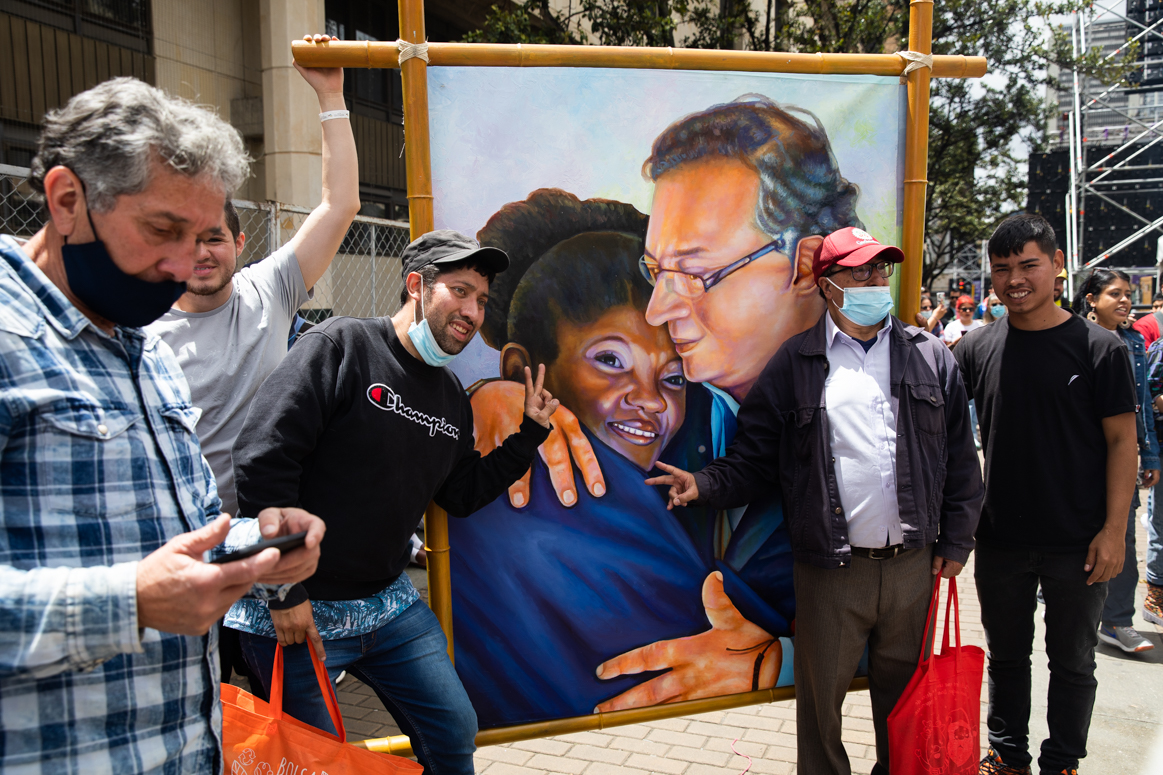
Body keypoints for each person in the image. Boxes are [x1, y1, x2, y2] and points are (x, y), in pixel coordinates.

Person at [467, 97, 862, 706]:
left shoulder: (880, 415)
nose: (660, 310)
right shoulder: (659, 416)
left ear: (807, 266)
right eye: (658, 273)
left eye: (696, 273)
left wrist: (782, 667)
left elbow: (909, 600)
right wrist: (491, 395)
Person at [0, 77, 325, 773]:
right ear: (67, 201)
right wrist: (129, 601)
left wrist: (259, 545)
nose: (183, 267)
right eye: (162, 231)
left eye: (205, 236)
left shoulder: (148, 349)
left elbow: (183, 540)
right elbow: (145, 584)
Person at [646, 227, 983, 775]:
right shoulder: (794, 365)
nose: (876, 281)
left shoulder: (931, 358)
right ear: (827, 285)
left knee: (903, 709)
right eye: (860, 272)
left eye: (881, 270)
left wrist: (957, 539)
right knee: (820, 712)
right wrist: (703, 485)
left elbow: (960, 459)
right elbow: (755, 461)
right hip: (829, 572)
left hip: (912, 570)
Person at [225, 230, 559, 775]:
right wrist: (285, 588)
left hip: (388, 607)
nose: (473, 312)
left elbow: (461, 493)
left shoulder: (450, 396)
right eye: (460, 291)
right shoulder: (341, 346)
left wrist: (528, 436)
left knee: (454, 735)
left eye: (481, 300)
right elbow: (263, 459)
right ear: (415, 286)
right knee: (322, 764)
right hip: (298, 613)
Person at [449, 189, 754, 727]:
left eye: (673, 378)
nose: (651, 399)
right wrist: (485, 396)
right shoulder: (498, 477)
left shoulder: (699, 441)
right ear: (524, 368)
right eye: (611, 360)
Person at [143, 33, 359, 688]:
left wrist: (330, 96)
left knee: (281, 714)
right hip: (188, 548)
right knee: (199, 702)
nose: (202, 251)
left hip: (271, 543)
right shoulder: (142, 331)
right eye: (184, 237)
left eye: (215, 236)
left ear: (239, 240)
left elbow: (340, 203)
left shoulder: (273, 287)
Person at [954, 214, 1138, 775]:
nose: (1016, 279)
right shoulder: (975, 349)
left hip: (1077, 543)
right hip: (1001, 539)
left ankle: (1062, 762)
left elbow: (1121, 444)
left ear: (1057, 267)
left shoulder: (1100, 349)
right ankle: (1008, 756)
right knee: (1007, 660)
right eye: (1003, 268)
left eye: (1029, 265)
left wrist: (1113, 533)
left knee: (1073, 662)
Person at [1072, 269, 1160, 653]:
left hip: (1122, 457)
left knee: (1122, 534)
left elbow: (1141, 409)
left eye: (1127, 294)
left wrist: (1150, 453)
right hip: (1080, 459)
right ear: (1091, 299)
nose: (1125, 301)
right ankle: (1079, 614)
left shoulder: (1134, 342)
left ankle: (1117, 620)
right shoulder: (1072, 337)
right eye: (1114, 294)